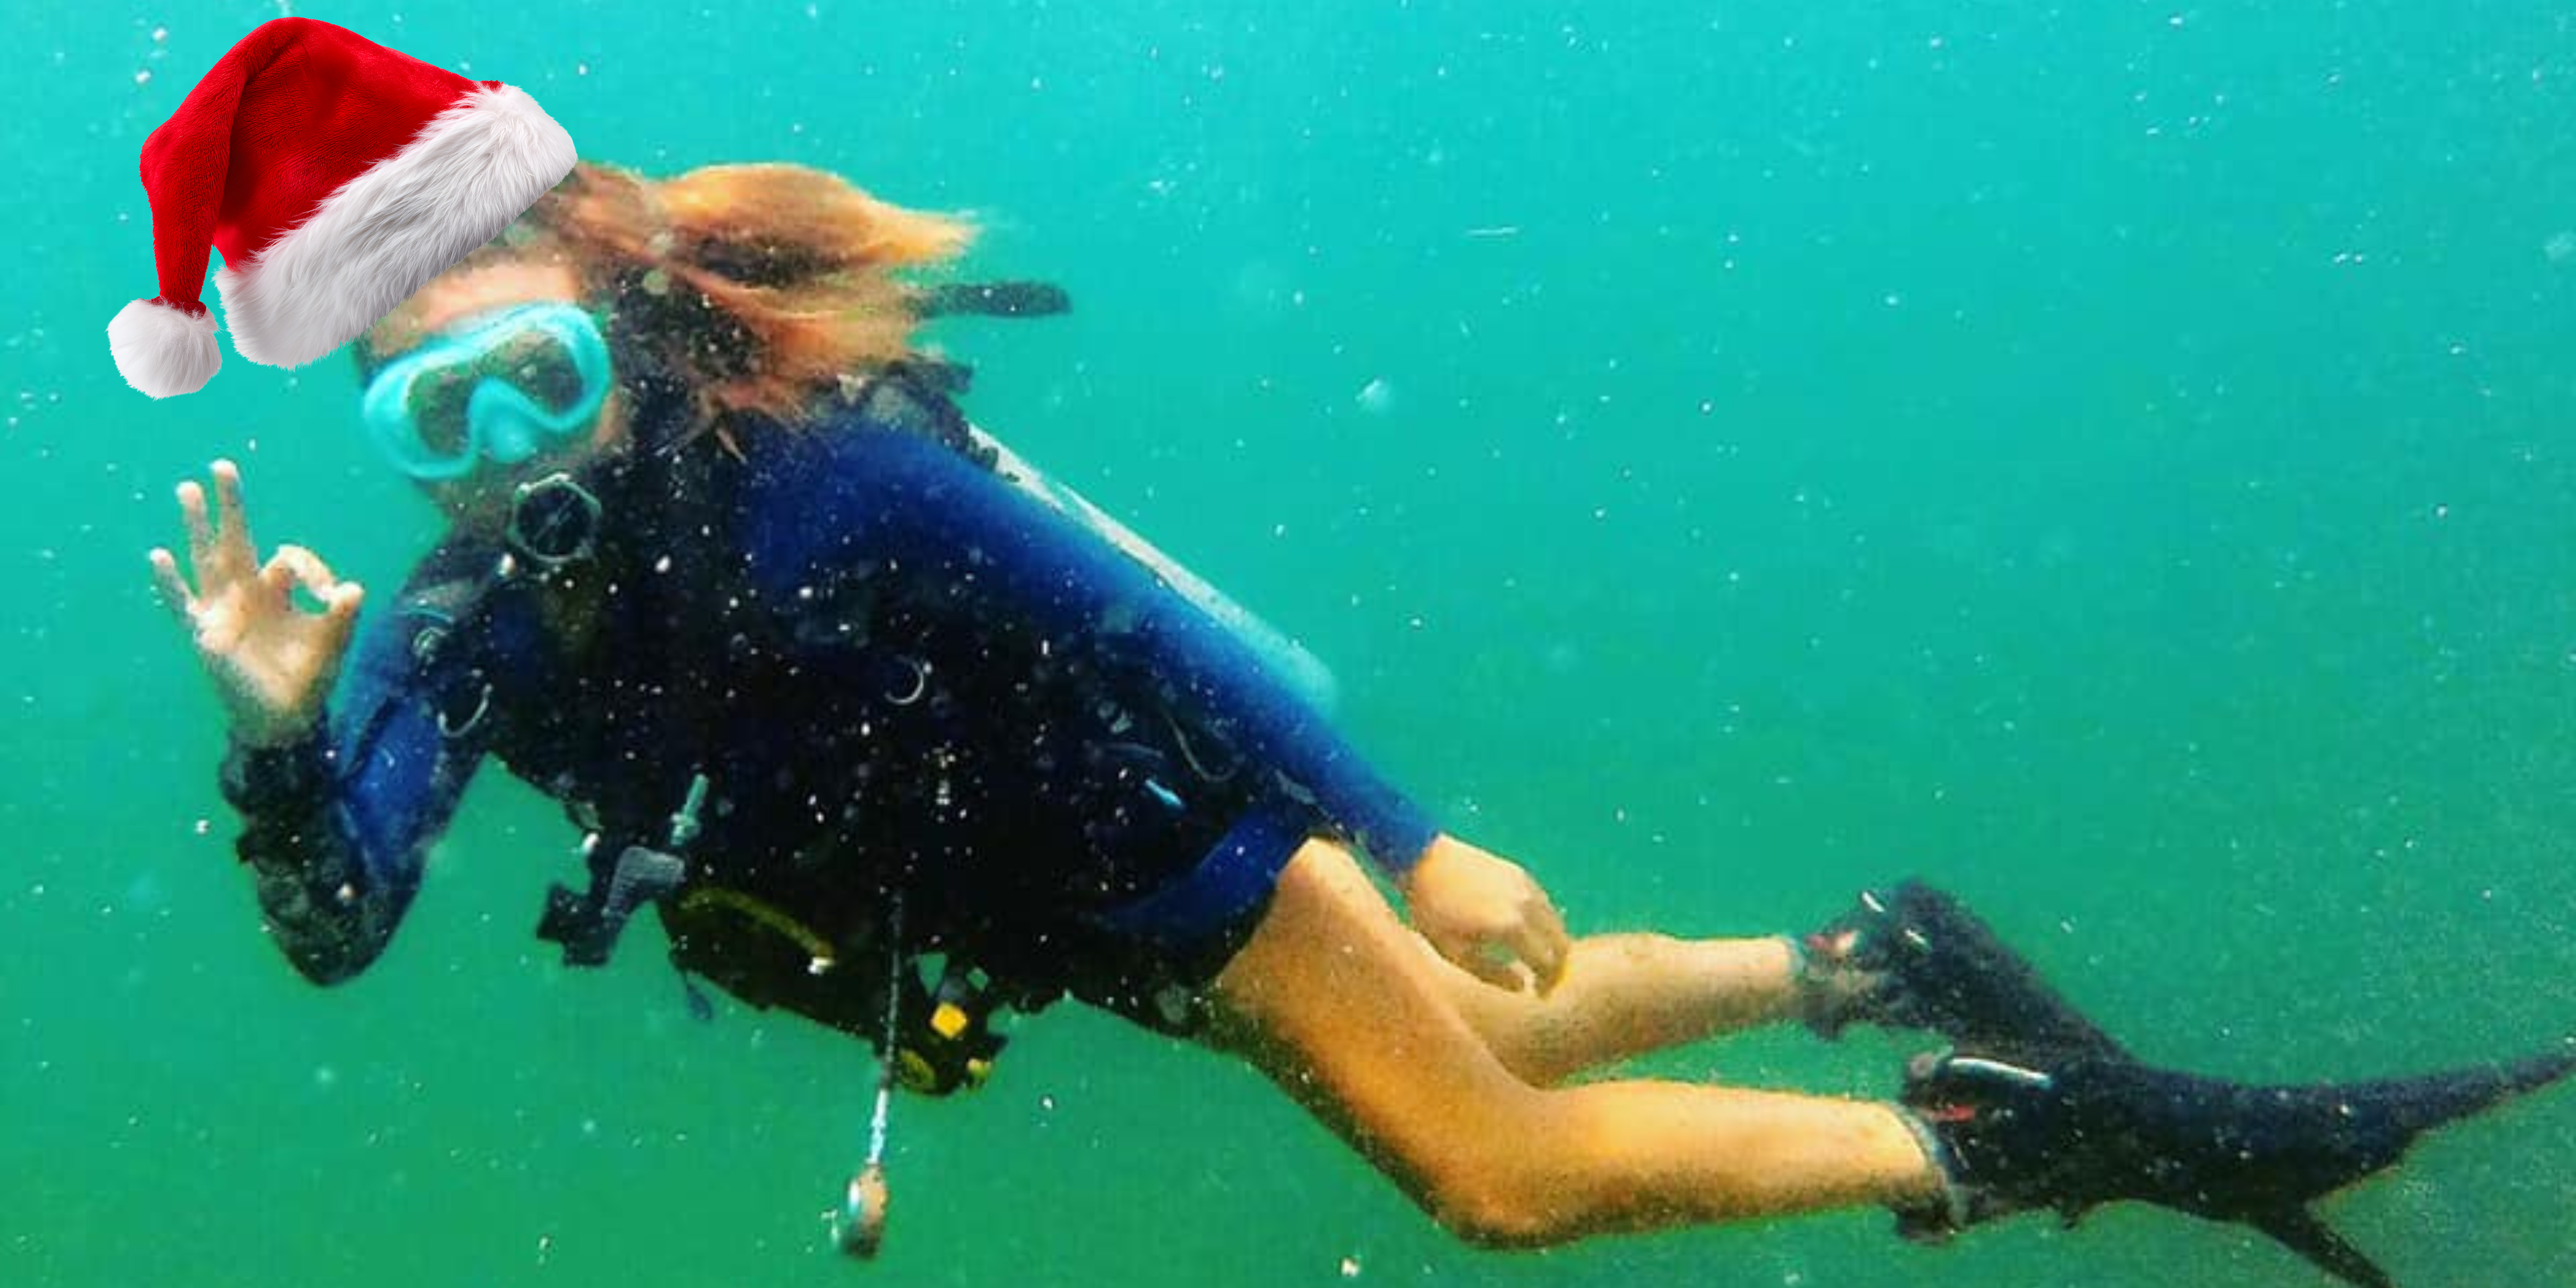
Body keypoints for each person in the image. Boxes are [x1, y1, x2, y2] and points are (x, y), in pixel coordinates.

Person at [153, 160, 2571, 1284]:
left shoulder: (828, 476)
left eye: (533, 374)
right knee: (1502, 1033)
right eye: (433, 415)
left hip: (1151, 834)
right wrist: (275, 739)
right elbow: (341, 918)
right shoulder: (458, 630)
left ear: (613, 323)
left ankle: (2001, 1136)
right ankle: (1864, 960)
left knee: (1495, 1175)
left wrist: (1408, 840)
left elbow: (1136, 630)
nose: (508, 450)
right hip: (1037, 921)